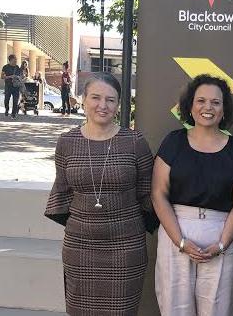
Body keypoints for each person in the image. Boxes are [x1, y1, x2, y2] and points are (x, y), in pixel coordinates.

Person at [44, 72, 158, 315]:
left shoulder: (135, 141)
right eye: (95, 97)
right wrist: (87, 224)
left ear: (118, 104)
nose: (102, 105)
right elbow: (62, 192)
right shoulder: (66, 142)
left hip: (126, 247)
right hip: (79, 247)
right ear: (83, 99)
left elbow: (148, 194)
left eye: (111, 100)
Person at [152, 74, 233, 316]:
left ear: (224, 109)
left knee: (218, 309)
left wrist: (221, 244)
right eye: (201, 101)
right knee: (174, 308)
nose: (208, 107)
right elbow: (158, 194)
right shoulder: (173, 143)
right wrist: (181, 242)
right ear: (190, 105)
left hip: (221, 237)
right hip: (176, 233)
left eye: (216, 102)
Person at [1, 54, 21, 119]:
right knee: (6, 99)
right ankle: (7, 109)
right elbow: (2, 76)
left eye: (16, 60)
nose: (16, 61)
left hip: (16, 86)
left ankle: (13, 114)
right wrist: (10, 76)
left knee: (16, 100)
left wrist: (18, 77)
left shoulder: (17, 67)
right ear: (10, 60)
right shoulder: (5, 67)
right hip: (8, 86)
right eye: (15, 59)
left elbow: (20, 76)